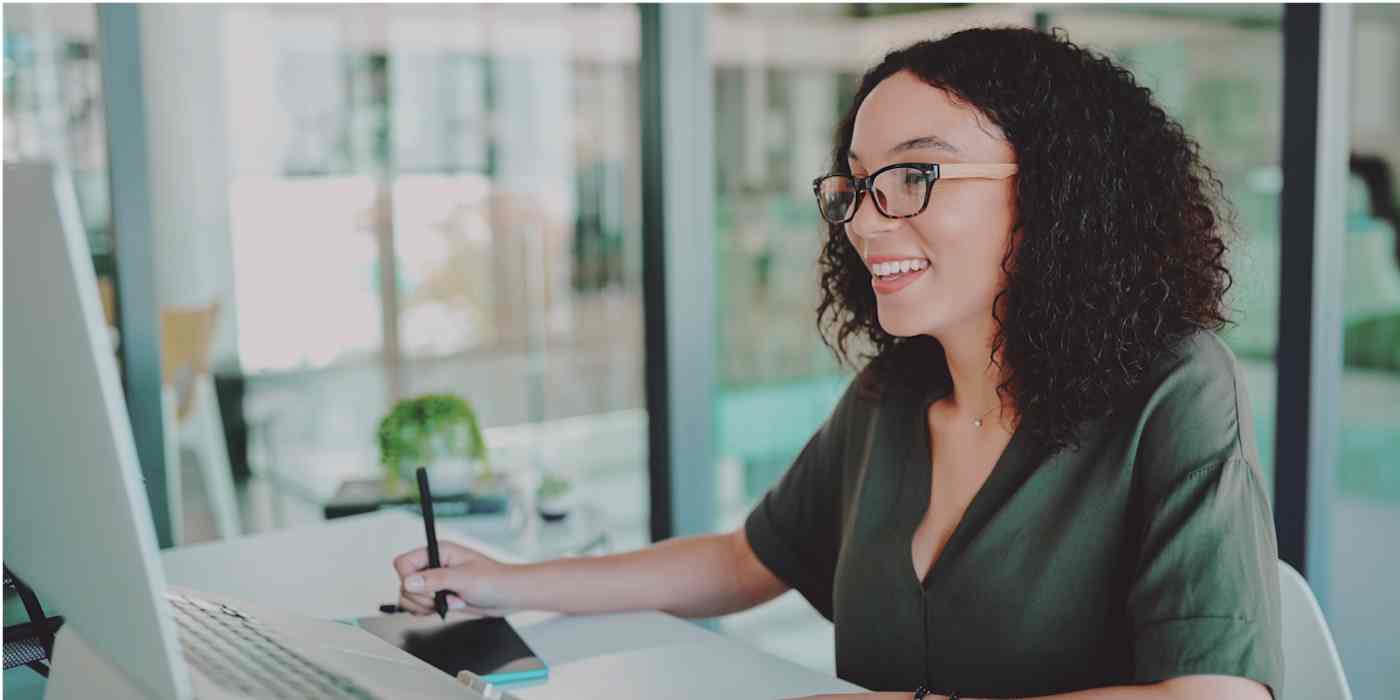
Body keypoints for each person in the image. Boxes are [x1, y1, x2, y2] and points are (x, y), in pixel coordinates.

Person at [392, 27, 1283, 700]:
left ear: (1057, 195)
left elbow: (1214, 695)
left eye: (914, 176)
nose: (861, 219)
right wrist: (505, 581)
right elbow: (746, 560)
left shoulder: (1175, 389)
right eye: (856, 184)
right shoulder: (894, 396)